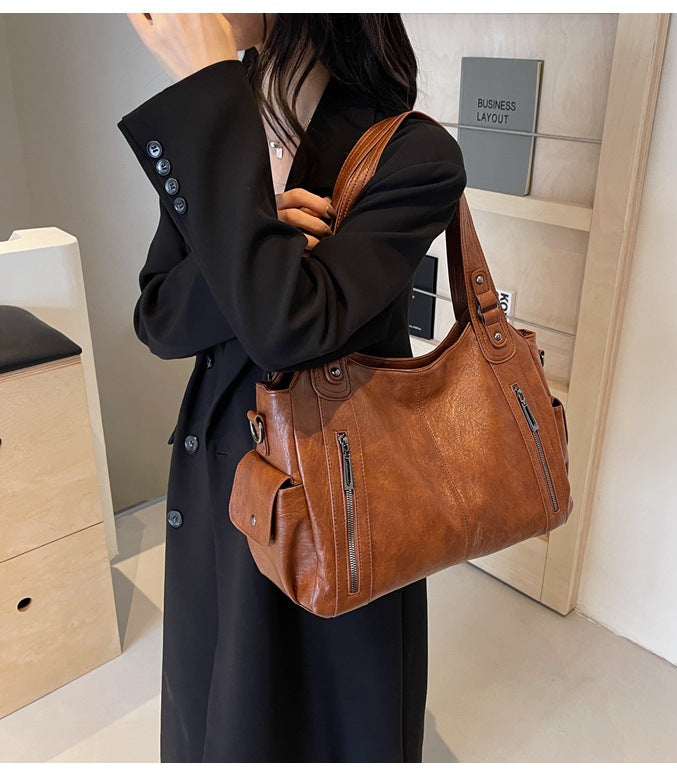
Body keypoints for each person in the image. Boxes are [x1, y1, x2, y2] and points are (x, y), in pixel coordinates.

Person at [117, 12, 466, 763]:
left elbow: (288, 326)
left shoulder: (413, 150)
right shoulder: (227, 115)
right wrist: (259, 230)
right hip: (223, 483)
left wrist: (213, 98)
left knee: (321, 714)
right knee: (218, 698)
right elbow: (157, 318)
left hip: (336, 495)